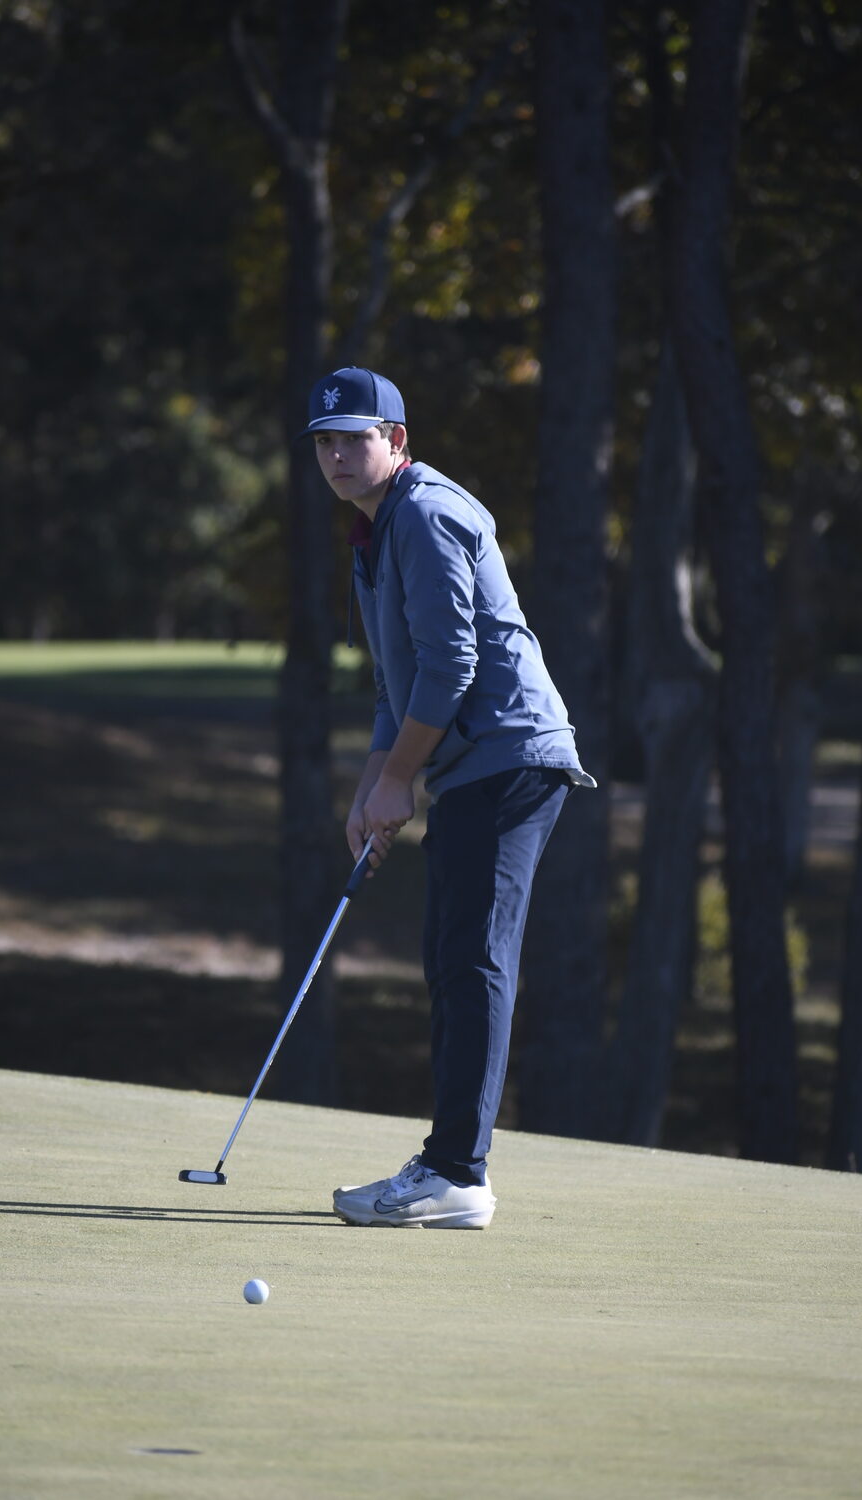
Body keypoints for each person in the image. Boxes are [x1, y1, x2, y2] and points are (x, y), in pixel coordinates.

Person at [304, 366, 595, 1229]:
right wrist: (370, 788)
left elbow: (454, 666)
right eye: (324, 442)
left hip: (510, 759)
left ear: (397, 441)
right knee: (451, 954)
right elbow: (399, 687)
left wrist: (401, 780)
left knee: (472, 959)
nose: (337, 456)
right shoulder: (373, 531)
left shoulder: (425, 515)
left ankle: (458, 1176)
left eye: (354, 439)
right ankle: (446, 1164)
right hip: (473, 764)